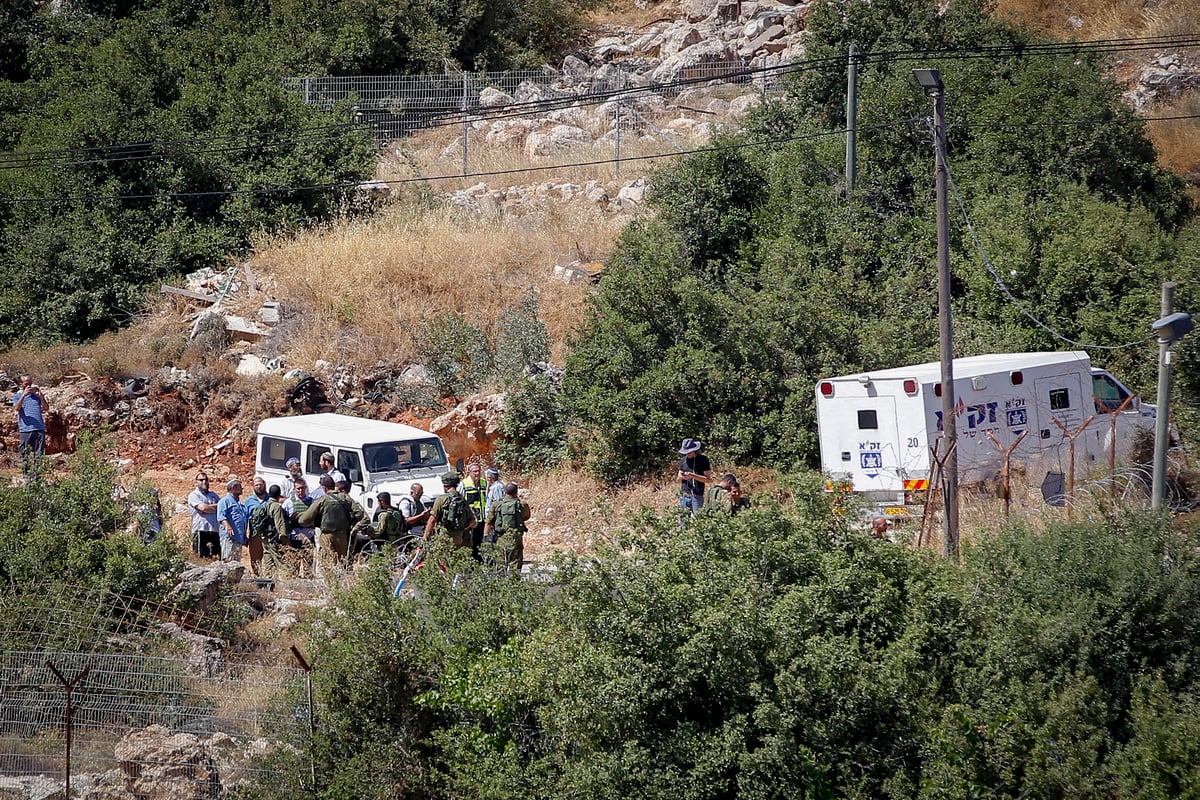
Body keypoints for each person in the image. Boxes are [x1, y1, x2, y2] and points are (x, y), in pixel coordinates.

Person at [483, 482, 531, 568]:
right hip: (516, 537)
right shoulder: (522, 505)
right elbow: (526, 516)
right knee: (515, 562)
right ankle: (514, 579)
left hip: (500, 537)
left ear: (504, 491)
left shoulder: (496, 504)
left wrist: (486, 536)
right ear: (516, 492)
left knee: (500, 562)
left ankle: (501, 580)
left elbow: (489, 522)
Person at [425, 471, 476, 549]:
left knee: (444, 559)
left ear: (445, 485)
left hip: (445, 537)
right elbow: (472, 521)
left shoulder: (441, 499)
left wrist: (426, 537)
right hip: (460, 537)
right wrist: (462, 529)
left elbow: (432, 519)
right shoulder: (462, 499)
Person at [248, 485, 289, 576]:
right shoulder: (276, 507)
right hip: (274, 539)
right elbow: (280, 523)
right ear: (279, 495)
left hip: (265, 538)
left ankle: (267, 583)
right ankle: (286, 583)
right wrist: (284, 539)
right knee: (281, 562)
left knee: (268, 563)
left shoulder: (265, 505)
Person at [13, 374, 47, 479]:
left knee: (39, 455)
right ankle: (27, 477)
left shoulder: (36, 395)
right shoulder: (17, 396)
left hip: (39, 429)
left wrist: (41, 397)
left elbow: (46, 408)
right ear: (21, 384)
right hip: (25, 430)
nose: (28, 386)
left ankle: (37, 478)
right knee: (25, 455)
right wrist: (23, 395)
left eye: (30, 384)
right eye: (26, 384)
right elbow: (17, 408)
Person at [460, 462, 489, 558]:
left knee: (480, 543)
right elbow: (460, 500)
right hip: (471, 520)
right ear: (469, 472)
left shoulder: (484, 483)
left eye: (479, 471)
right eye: (475, 471)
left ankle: (479, 562)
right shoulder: (464, 484)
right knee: (470, 543)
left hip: (482, 519)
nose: (477, 473)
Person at [189, 472, 221, 559]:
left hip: (214, 531)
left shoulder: (213, 495)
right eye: (201, 480)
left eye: (206, 479)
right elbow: (202, 508)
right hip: (200, 530)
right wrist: (212, 508)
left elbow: (221, 507)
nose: (204, 482)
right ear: (196, 482)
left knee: (215, 558)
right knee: (201, 558)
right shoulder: (194, 495)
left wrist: (207, 508)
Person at [216, 477, 248, 564]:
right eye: (239, 486)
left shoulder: (240, 504)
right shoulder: (225, 501)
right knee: (228, 562)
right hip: (229, 538)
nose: (242, 488)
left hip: (238, 538)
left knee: (236, 563)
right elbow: (221, 517)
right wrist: (228, 526)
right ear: (233, 488)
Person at [678, 438, 712, 516]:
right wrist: (682, 476)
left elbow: (708, 480)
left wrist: (692, 476)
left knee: (697, 521)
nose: (687, 454)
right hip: (684, 496)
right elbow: (678, 480)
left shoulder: (703, 460)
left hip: (697, 496)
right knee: (682, 522)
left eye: (689, 452)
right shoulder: (683, 461)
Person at [283, 477, 316, 546]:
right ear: (294, 489)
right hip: (295, 533)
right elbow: (283, 519)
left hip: (308, 533)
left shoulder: (312, 502)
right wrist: (290, 519)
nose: (300, 490)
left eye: (302, 488)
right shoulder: (288, 502)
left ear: (305, 488)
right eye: (298, 488)